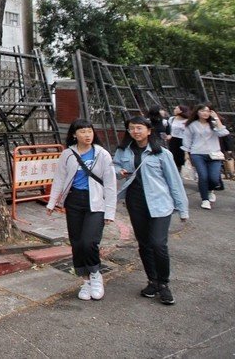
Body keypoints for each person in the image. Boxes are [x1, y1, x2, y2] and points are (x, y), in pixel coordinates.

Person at [114, 116, 189, 306]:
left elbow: (174, 182)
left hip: (160, 203)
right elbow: (114, 167)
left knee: (158, 244)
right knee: (144, 244)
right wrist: (118, 172)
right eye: (132, 128)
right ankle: (152, 281)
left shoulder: (162, 153)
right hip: (135, 202)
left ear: (148, 130)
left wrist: (182, 208)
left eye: (139, 128)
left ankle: (164, 283)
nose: (135, 131)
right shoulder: (123, 151)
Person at [46, 118, 117, 301]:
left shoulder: (102, 154)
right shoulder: (67, 154)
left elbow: (110, 184)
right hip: (74, 201)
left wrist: (110, 211)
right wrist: (52, 202)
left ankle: (95, 275)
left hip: (96, 202)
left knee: (89, 242)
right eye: (83, 131)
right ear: (74, 134)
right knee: (77, 243)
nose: (87, 135)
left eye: (89, 131)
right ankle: (85, 281)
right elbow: (59, 179)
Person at [182, 104, 230, 209]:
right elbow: (187, 139)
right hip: (197, 153)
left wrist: (216, 118)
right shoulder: (192, 125)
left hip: (214, 154)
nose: (205, 113)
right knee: (203, 176)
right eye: (202, 111)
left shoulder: (213, 123)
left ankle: (210, 190)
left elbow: (223, 133)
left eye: (207, 111)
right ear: (197, 112)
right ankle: (205, 199)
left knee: (214, 178)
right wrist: (186, 152)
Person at [168, 104, 190, 174]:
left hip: (183, 140)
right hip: (173, 140)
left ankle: (180, 171)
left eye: (176, 108)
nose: (174, 110)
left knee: (181, 158)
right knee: (173, 156)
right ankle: (175, 172)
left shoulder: (187, 120)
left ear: (181, 111)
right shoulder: (172, 119)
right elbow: (169, 129)